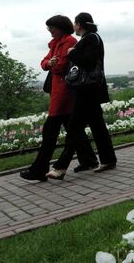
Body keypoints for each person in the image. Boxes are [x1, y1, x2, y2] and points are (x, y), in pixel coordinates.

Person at [20, 15, 98, 182]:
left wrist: (53, 64)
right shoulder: (56, 43)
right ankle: (89, 160)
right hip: (59, 90)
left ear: (60, 27)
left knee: (50, 131)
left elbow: (62, 66)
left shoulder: (69, 42)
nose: (49, 31)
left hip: (63, 93)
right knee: (72, 129)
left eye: (51, 28)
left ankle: (39, 170)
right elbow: (44, 63)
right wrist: (49, 63)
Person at [47, 12, 117, 179]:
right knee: (97, 126)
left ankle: (60, 167)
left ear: (79, 24)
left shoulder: (90, 38)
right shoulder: (92, 38)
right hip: (90, 90)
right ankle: (108, 159)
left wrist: (72, 52)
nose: (74, 27)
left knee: (74, 128)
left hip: (86, 90)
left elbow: (88, 61)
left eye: (75, 24)